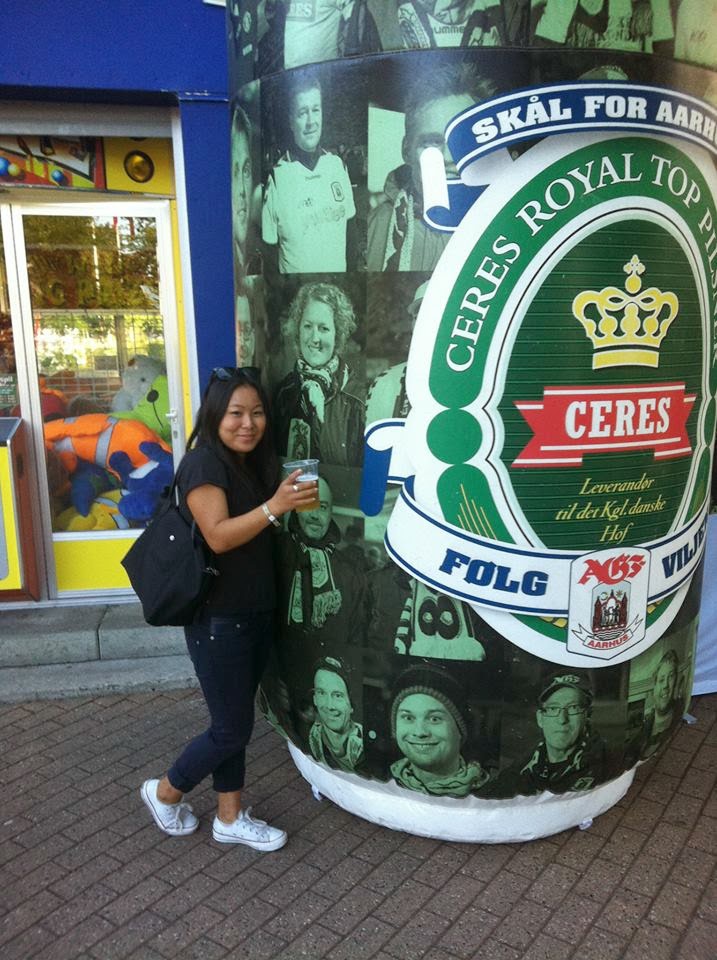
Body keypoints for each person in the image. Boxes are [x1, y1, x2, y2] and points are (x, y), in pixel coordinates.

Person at [139, 366, 318, 851]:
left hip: (253, 611)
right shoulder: (203, 464)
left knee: (234, 722)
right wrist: (275, 507)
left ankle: (230, 816)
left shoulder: (248, 463)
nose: (248, 423)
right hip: (219, 619)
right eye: (236, 413)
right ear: (215, 416)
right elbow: (217, 536)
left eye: (257, 413)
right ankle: (165, 791)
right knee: (230, 728)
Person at [367, 62, 493, 271]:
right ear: (406, 150)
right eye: (432, 142)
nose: (448, 158)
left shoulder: (512, 222)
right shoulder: (376, 225)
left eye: (463, 140)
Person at [262, 73, 356, 274]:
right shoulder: (277, 178)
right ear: (291, 121)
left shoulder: (337, 166)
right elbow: (269, 254)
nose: (311, 121)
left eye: (315, 110)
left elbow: (351, 238)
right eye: (302, 113)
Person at [274, 281, 364, 466]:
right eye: (308, 326)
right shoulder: (282, 393)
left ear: (337, 334)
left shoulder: (358, 399)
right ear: (298, 330)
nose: (315, 338)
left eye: (324, 328)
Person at [490, 673, 607, 796]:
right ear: (540, 718)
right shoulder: (525, 765)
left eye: (573, 707)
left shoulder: (605, 766)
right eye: (553, 708)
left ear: (588, 715)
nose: (562, 720)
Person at [389, 664, 489, 796]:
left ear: (460, 730)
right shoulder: (382, 783)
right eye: (408, 718)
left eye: (434, 719)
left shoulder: (490, 794)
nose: (420, 732)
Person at [309, 655, 365, 772]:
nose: (329, 706)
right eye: (321, 693)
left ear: (351, 705)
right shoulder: (315, 734)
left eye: (338, 695)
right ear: (314, 699)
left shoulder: (363, 746)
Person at [640, 649, 681, 759]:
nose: (666, 685)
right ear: (654, 687)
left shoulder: (677, 714)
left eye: (671, 677)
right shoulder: (646, 720)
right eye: (661, 680)